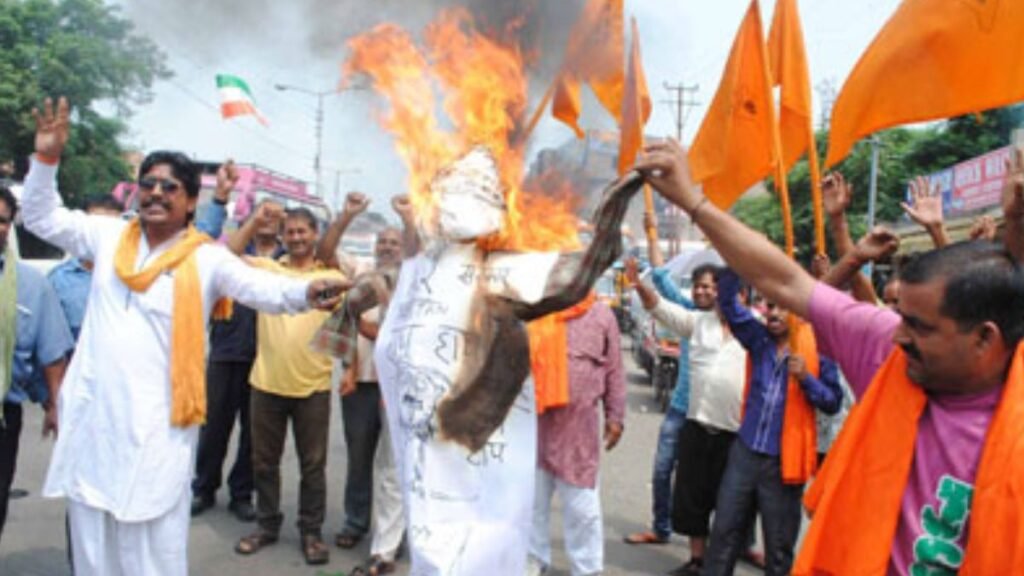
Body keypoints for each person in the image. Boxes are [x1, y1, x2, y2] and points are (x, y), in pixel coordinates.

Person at [636, 138, 1024, 574]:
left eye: (919, 326)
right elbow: (787, 282)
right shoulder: (884, 351)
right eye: (900, 316)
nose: (898, 334)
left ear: (985, 339)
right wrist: (694, 202)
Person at [24, 97, 347, 576]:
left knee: (149, 549)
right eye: (148, 184)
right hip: (96, 420)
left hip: (157, 426)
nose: (155, 193)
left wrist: (307, 291)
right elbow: (40, 216)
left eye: (169, 186)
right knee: (92, 546)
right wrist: (47, 158)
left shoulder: (205, 258)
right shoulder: (108, 236)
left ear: (191, 200)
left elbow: (262, 288)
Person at [318, 146, 641, 574]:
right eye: (451, 191)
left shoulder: (504, 272)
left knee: (482, 538)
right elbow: (371, 289)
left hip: (479, 431)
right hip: (422, 429)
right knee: (431, 534)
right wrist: (342, 310)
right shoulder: (416, 270)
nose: (458, 203)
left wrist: (615, 205)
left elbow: (580, 273)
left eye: (476, 191)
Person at [705, 270, 843, 575]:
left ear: (799, 312)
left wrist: (806, 378)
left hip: (783, 462)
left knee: (778, 547)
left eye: (783, 307)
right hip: (745, 452)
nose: (774, 313)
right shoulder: (758, 340)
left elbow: (833, 402)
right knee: (724, 531)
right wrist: (737, 262)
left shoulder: (819, 349)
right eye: (770, 306)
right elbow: (728, 303)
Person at [230, 206, 347, 566]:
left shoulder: (330, 277)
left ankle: (311, 533)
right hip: (266, 383)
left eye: (302, 231)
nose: (296, 238)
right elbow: (229, 256)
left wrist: (348, 370)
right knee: (264, 463)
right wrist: (255, 220)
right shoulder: (268, 270)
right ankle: (267, 526)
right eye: (290, 232)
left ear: (314, 234)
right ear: (281, 236)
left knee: (313, 467)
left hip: (313, 388)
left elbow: (343, 329)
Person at [626, 258, 747, 576]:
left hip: (736, 434)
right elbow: (661, 308)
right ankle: (697, 560)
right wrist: (639, 286)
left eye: (728, 291)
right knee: (693, 496)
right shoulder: (698, 322)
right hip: (696, 426)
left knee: (729, 503)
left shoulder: (754, 329)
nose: (722, 296)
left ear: (741, 296)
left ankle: (721, 564)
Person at [316, 191, 409, 575]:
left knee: (395, 467)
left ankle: (394, 537)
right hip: (360, 384)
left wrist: (409, 217)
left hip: (398, 390)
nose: (387, 247)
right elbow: (325, 254)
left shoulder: (413, 278)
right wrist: (347, 215)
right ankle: (356, 523)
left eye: (394, 242)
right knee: (359, 460)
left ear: (404, 248)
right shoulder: (361, 273)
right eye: (382, 242)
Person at [191, 195, 286, 523]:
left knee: (253, 433)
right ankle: (203, 487)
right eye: (263, 214)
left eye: (275, 216)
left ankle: (241, 494)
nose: (268, 221)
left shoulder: (287, 257)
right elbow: (224, 256)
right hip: (226, 350)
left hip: (266, 357)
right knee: (214, 426)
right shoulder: (235, 250)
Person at [526, 296, 626, 576]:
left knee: (583, 510)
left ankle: (586, 568)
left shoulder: (601, 315)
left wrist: (615, 416)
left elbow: (614, 370)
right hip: (534, 427)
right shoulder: (537, 308)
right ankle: (533, 560)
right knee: (531, 504)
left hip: (578, 432)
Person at [0, 186, 74, 543]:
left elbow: (52, 352)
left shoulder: (31, 285)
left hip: (4, 417)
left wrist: (54, 405)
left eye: (2, 220)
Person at [624, 216, 696, 548]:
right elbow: (661, 276)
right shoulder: (689, 313)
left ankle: (722, 543)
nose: (707, 291)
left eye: (714, 286)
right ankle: (661, 527)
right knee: (663, 469)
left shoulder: (744, 324)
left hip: (717, 420)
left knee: (722, 483)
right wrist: (652, 233)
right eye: (701, 286)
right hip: (681, 408)